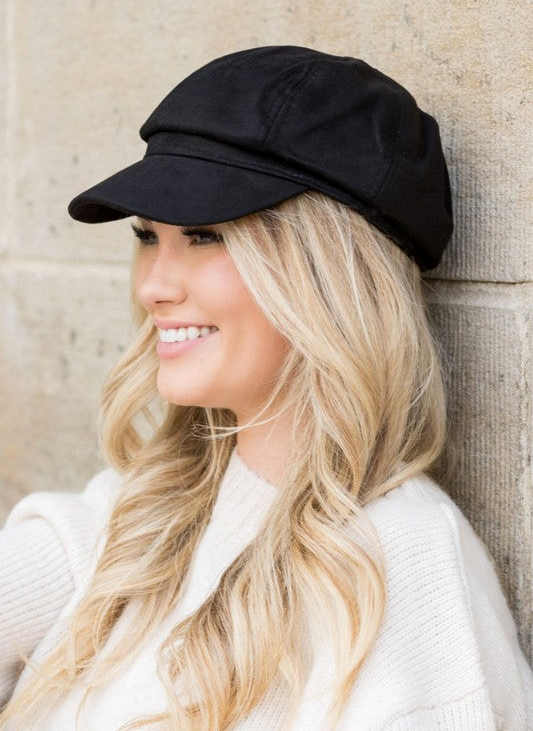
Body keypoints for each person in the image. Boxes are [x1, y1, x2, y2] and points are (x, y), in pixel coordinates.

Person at [0, 46, 531, 731]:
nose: (154, 285)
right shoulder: (129, 523)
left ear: (328, 270)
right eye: (147, 237)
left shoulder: (402, 571)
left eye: (204, 236)